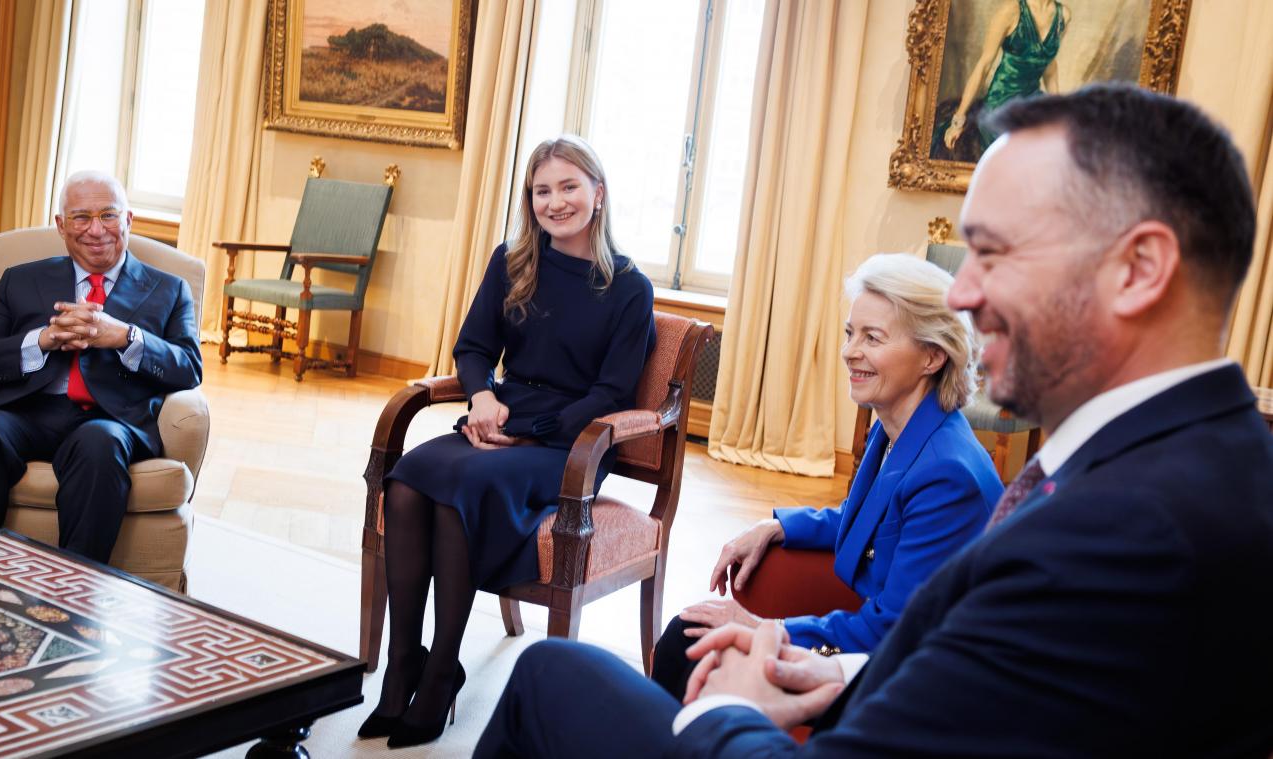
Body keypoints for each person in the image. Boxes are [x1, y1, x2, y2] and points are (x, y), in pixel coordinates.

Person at [473, 83, 1273, 757]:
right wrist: (837, 669)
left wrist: (732, 709)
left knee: (548, 676)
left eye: (994, 253)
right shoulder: (1194, 457)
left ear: (1138, 268)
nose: (961, 295)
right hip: (872, 682)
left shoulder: (1126, 536)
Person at [358, 135, 655, 748]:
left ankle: (442, 674)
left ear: (598, 195)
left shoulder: (628, 286)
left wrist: (523, 430)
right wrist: (483, 397)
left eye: (569, 187)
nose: (556, 202)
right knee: (411, 476)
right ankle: (403, 666)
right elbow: (472, 348)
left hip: (569, 442)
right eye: (542, 191)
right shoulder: (512, 261)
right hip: (500, 417)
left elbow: (612, 393)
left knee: (461, 486)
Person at [650, 253, 1002, 700]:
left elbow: (891, 631)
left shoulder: (948, 475)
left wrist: (764, 629)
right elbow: (872, 521)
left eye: (873, 338)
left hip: (906, 679)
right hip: (875, 635)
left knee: (690, 644)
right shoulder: (898, 428)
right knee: (688, 634)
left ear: (932, 356)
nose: (851, 351)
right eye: (851, 333)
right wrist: (776, 526)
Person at [0, 171, 203, 563]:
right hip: (24, 410)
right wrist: (40, 341)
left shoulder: (169, 289)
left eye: (108, 215)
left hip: (108, 418)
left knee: (100, 447)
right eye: (80, 217)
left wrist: (126, 337)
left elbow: (189, 367)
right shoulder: (19, 280)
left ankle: (72, 592)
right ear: (60, 225)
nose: (96, 230)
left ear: (129, 220)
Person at [933, 0, 1069, 160]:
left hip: (1033, 98)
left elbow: (1049, 65)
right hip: (1002, 99)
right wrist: (958, 120)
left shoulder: (1063, 15)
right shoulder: (1010, 11)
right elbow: (983, 65)